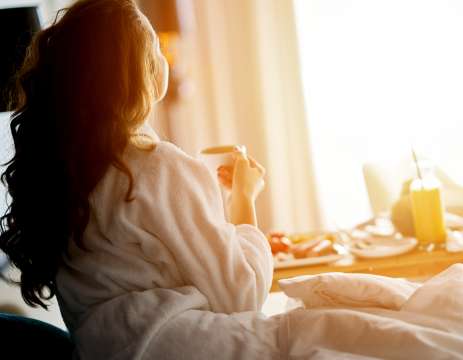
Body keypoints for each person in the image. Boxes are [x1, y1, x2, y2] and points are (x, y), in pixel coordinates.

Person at [0, 0, 275, 357]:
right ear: (135, 73)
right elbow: (243, 294)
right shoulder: (158, 167)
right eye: (156, 48)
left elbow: (146, 263)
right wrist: (245, 198)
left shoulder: (63, 178)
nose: (164, 60)